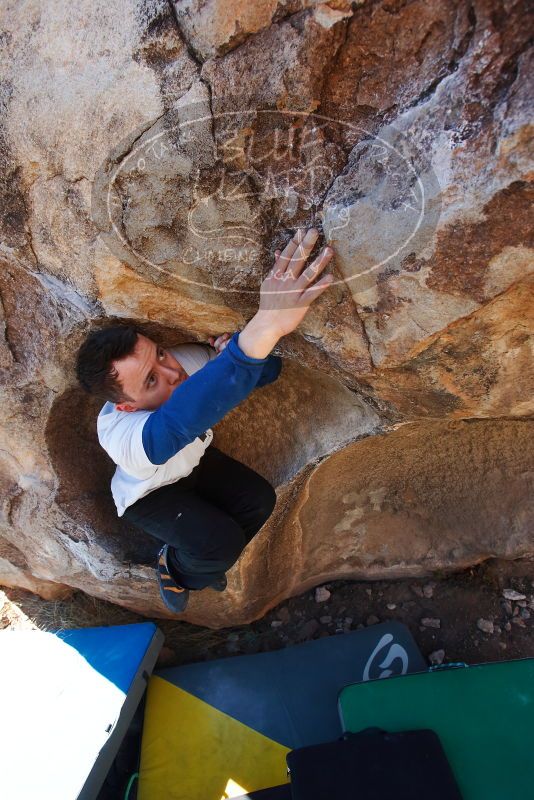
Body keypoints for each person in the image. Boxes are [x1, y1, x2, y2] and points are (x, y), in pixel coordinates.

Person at [75, 227, 334, 612]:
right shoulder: (121, 435)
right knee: (220, 545)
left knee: (259, 501)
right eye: (150, 381)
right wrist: (265, 326)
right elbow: (178, 422)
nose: (173, 372)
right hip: (151, 494)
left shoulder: (182, 361)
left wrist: (236, 349)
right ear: (126, 406)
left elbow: (261, 374)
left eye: (160, 354)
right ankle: (177, 569)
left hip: (194, 461)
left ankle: (206, 557)